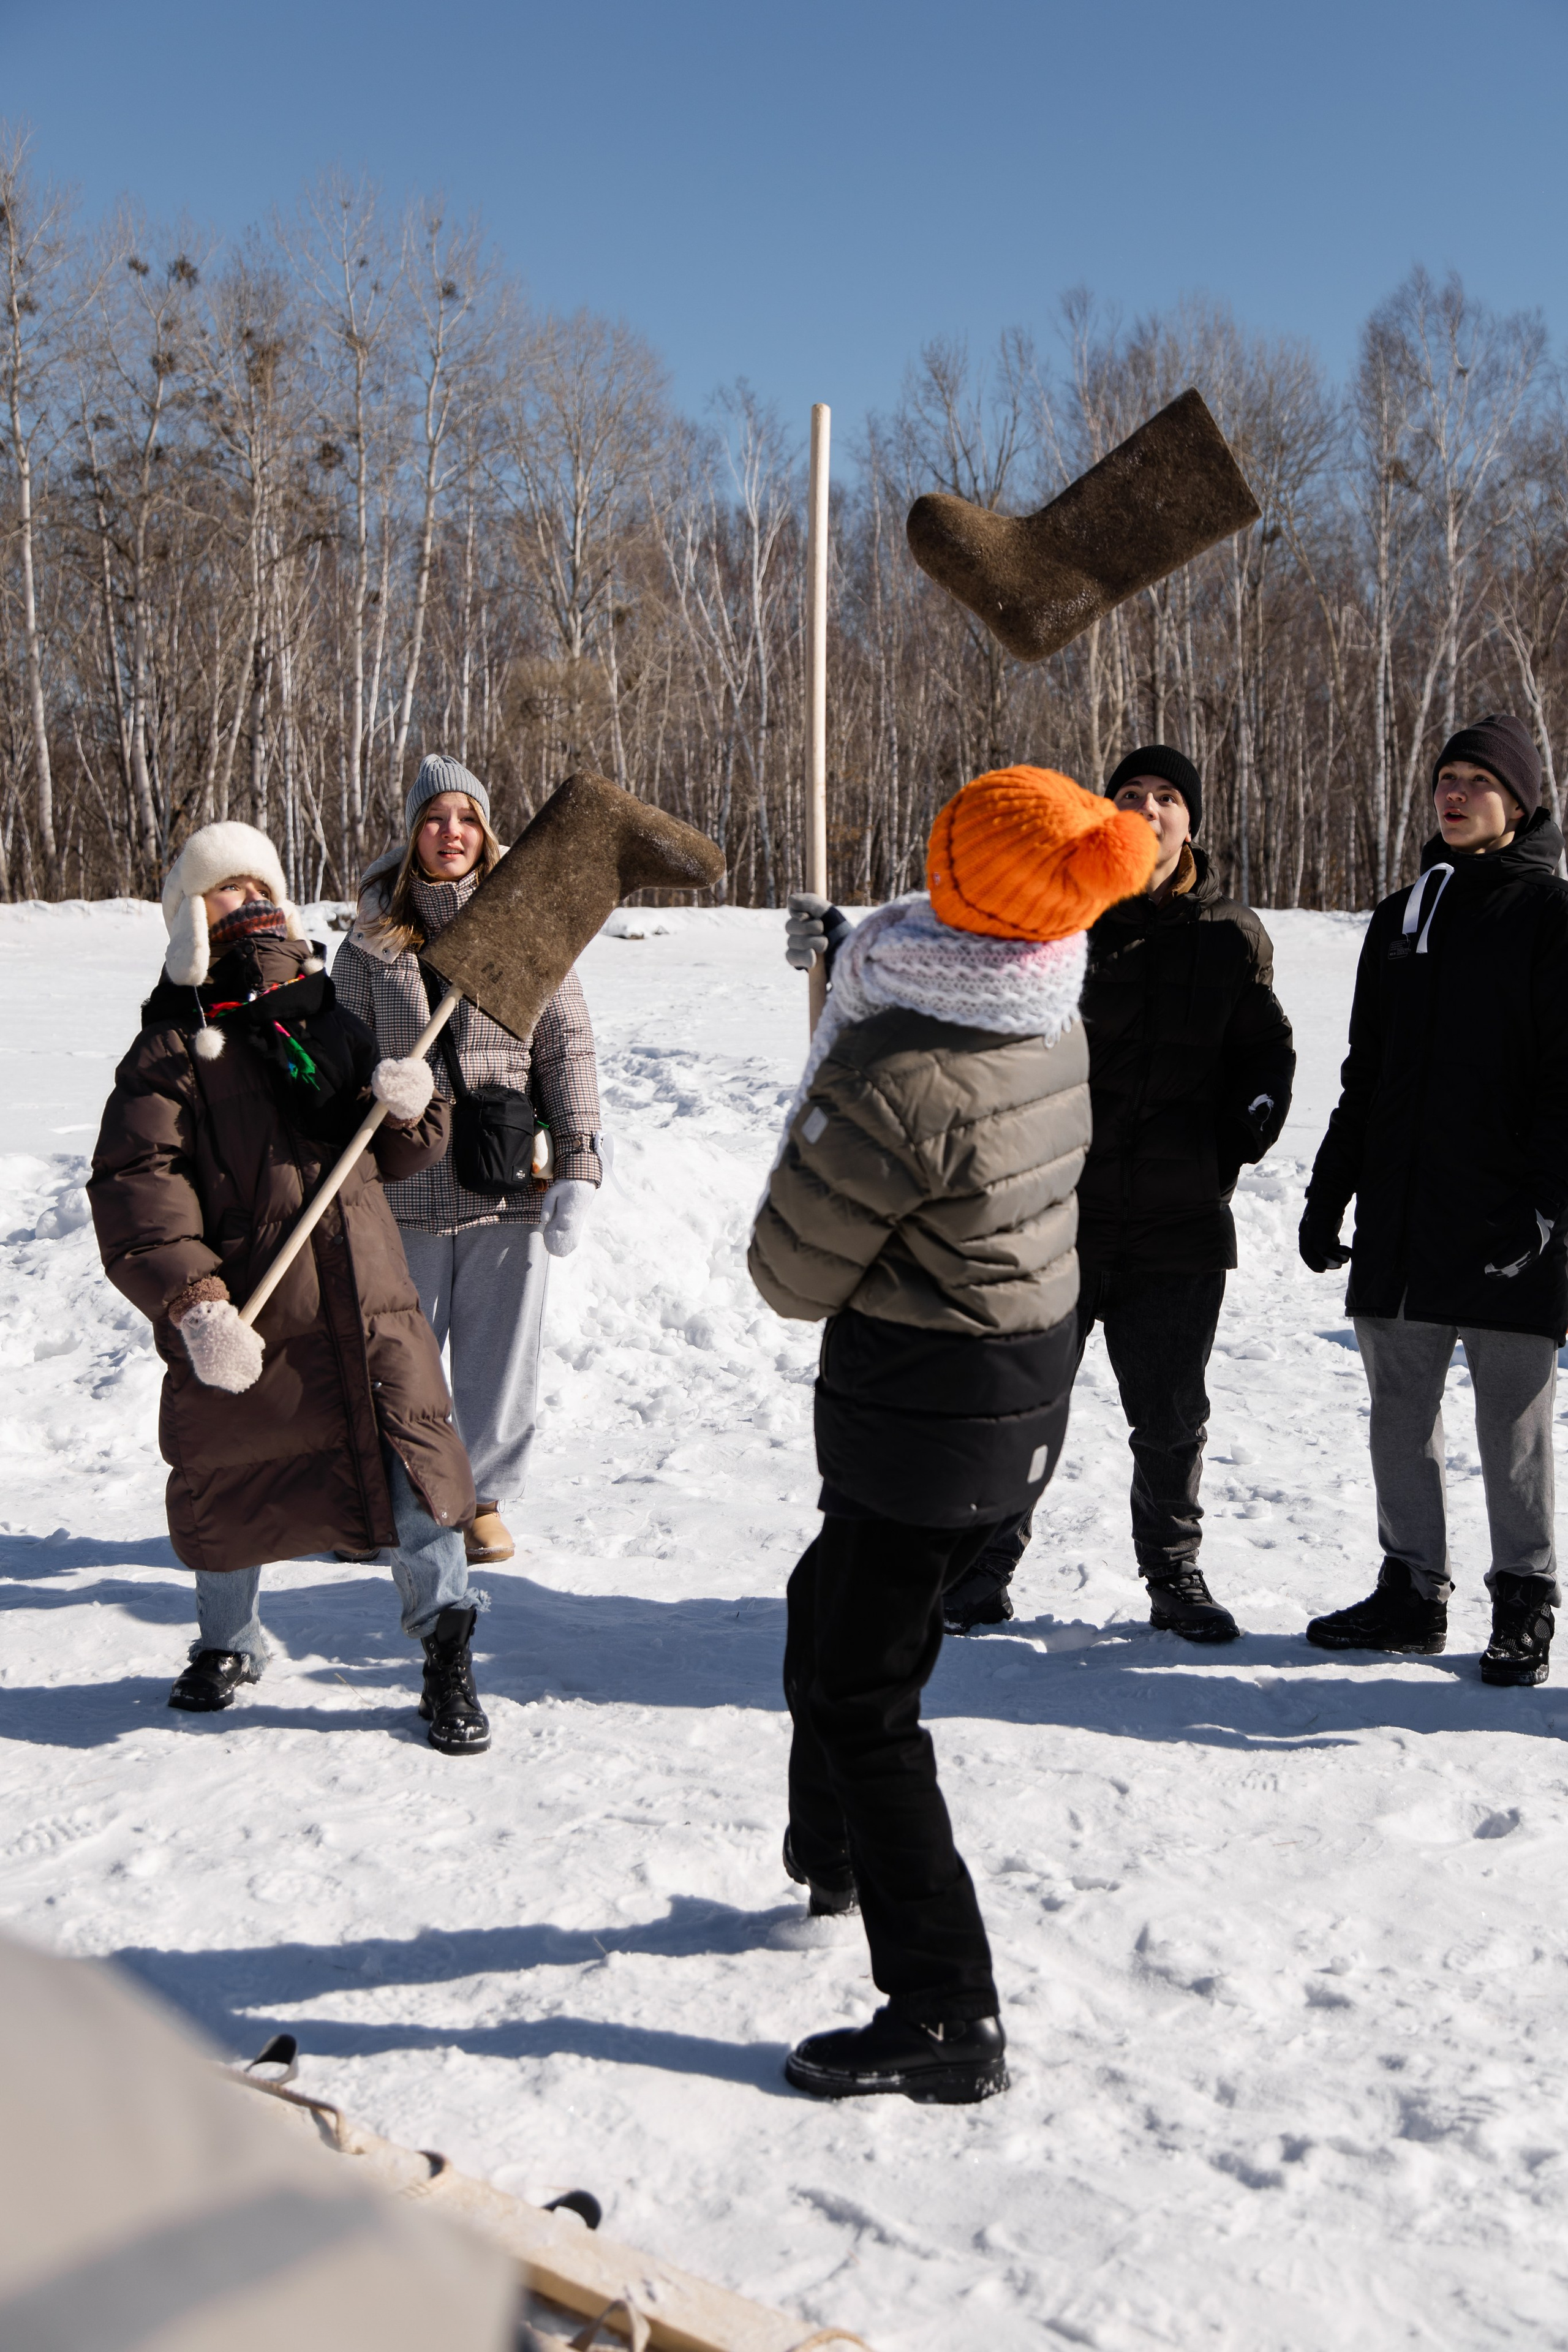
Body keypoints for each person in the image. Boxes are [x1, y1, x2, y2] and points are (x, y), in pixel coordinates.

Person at [753, 764, 1157, 2103]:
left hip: (923, 1415)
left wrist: (824, 1102)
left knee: (863, 1696)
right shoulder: (1047, 1002)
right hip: (1000, 1400)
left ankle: (942, 2009)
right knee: (834, 1606)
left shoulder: (900, 1067)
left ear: (956, 880)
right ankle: (836, 1849)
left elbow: (790, 1273)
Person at [88, 820, 491, 1754]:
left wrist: (411, 1106)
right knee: (231, 1473)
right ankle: (227, 1643)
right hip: (250, 1311)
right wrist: (195, 1305)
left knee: (415, 1477)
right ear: (190, 915)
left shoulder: (326, 1016)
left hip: (365, 1302)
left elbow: (391, 1154)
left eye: (256, 886)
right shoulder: (171, 1047)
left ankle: (447, 1653)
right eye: (223, 890)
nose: (248, 905)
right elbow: (138, 1187)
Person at [892, 744, 1295, 1642]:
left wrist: (1257, 1111)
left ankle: (1174, 1574)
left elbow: (1263, 1045)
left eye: (1167, 797)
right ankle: (982, 1569)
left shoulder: (1229, 934)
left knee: (1171, 1417)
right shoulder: (1055, 917)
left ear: (1192, 820)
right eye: (1130, 795)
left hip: (1178, 1224)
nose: (1149, 809)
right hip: (1055, 1221)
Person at [1299, 714, 1568, 1686]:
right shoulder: (1399, 916)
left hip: (1508, 1225)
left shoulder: (1550, 914)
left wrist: (1546, 1205)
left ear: (1520, 799)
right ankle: (1412, 1591)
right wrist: (1331, 1191)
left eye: (1477, 781)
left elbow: (1563, 1077)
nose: (1454, 794)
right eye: (1446, 778)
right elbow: (1365, 1070)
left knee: (1513, 1427)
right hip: (1405, 1221)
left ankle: (1524, 1602)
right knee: (1399, 1415)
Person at [334, 754, 603, 1568]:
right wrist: (378, 1084)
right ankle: (400, 1492)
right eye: (433, 818)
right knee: (399, 1359)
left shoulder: (527, 929)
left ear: (486, 831)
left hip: (505, 1178)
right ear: (412, 833)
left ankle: (482, 1498)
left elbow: (567, 1049)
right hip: (405, 1185)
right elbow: (341, 1054)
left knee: (499, 1355)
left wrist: (581, 1169)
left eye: (465, 817)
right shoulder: (373, 939)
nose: (450, 831)